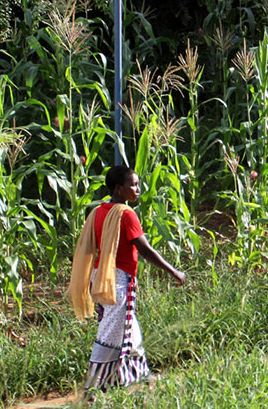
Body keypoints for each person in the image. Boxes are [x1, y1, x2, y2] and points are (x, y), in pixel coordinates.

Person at [68, 165, 186, 397]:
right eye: (133, 185)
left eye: (138, 184)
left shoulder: (99, 211)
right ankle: (92, 388)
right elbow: (145, 249)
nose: (137, 189)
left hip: (100, 276)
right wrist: (173, 271)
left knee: (130, 332)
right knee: (110, 332)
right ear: (119, 188)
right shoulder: (126, 214)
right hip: (118, 280)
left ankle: (141, 378)